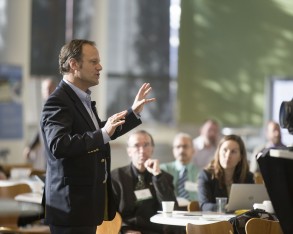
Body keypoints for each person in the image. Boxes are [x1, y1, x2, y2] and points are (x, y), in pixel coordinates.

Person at [40, 39, 155, 234]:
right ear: (74, 64)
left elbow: (99, 132)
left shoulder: (81, 98)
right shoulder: (58, 101)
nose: (100, 67)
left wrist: (132, 113)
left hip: (84, 207)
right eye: (93, 62)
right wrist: (102, 133)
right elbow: (58, 145)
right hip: (70, 208)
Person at [111, 130, 182, 234]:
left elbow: (171, 208)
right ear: (129, 151)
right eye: (136, 146)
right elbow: (110, 213)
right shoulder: (116, 177)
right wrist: (124, 230)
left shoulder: (164, 177)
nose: (142, 150)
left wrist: (157, 176)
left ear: (152, 149)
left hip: (154, 231)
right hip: (125, 230)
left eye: (146, 145)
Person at [198, 134, 254, 212]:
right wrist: (227, 207)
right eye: (225, 150)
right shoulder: (206, 175)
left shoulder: (248, 177)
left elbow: (252, 205)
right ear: (218, 153)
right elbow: (204, 206)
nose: (228, 155)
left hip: (240, 222)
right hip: (215, 222)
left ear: (240, 157)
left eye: (233, 152)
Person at [23, 78, 56, 170]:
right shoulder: (45, 107)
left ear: (55, 89)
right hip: (46, 153)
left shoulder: (58, 106)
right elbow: (41, 130)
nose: (47, 91)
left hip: (56, 151)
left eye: (50, 88)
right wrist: (30, 147)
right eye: (45, 89)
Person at [160, 133, 199, 206]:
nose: (181, 150)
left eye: (185, 146)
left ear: (193, 150)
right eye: (178, 147)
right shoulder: (164, 170)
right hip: (171, 210)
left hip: (195, 211)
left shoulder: (200, 173)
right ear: (173, 150)